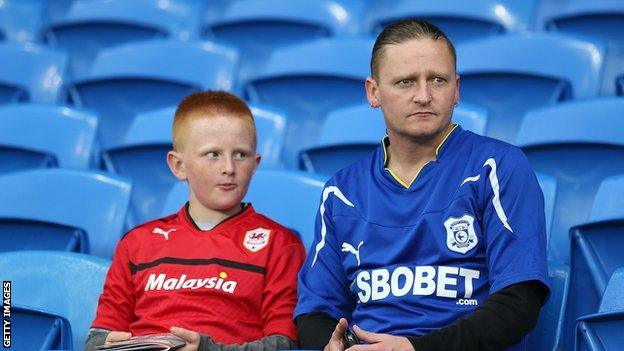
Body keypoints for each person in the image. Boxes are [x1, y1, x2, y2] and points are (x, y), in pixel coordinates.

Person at [295, 19, 550, 351]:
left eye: (438, 80)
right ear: (373, 92)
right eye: (405, 82)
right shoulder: (341, 191)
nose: (424, 95)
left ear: (456, 89)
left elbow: (520, 302)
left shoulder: (498, 167)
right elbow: (316, 311)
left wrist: (417, 349)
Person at [86, 91, 306, 351]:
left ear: (256, 163)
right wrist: (102, 345)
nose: (228, 167)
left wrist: (208, 349)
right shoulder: (137, 243)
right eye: (213, 154)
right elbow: (99, 338)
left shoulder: (279, 245)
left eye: (240, 155)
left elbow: (285, 344)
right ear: (178, 165)